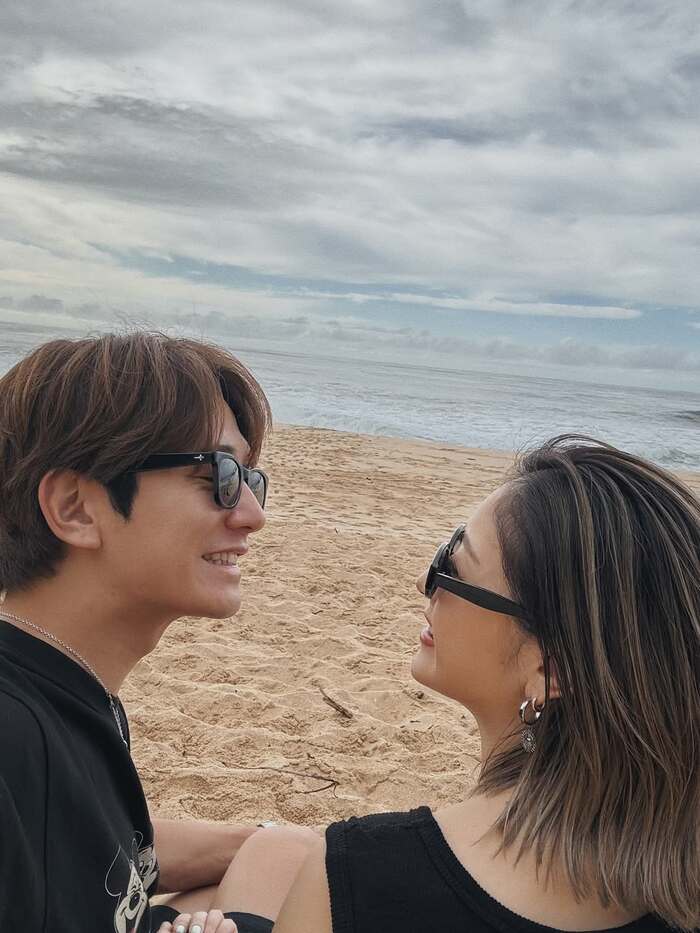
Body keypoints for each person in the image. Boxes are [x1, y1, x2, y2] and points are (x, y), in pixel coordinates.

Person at [189, 436, 699, 933]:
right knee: (274, 849)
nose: (423, 582)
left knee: (246, 870)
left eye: (451, 566)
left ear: (550, 670)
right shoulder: (674, 874)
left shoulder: (362, 875)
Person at [0, 332, 314, 933]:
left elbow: (82, 843)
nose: (253, 515)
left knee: (290, 853)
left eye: (250, 479)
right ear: (75, 508)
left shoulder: (71, 693)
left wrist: (262, 838)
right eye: (218, 474)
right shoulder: (13, 735)